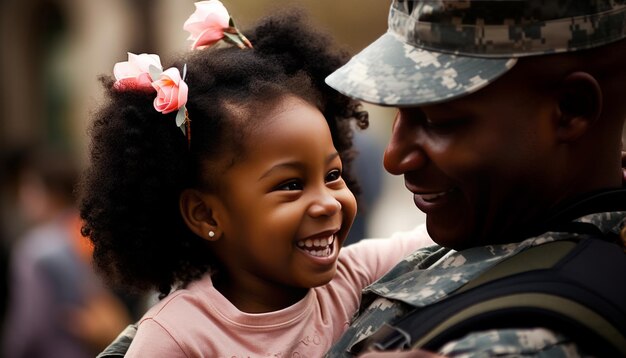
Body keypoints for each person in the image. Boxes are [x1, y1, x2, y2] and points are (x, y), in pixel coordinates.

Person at [79, 2, 433, 357]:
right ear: (206, 214)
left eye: (332, 175)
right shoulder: (176, 338)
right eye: (291, 185)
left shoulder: (355, 275)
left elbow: (442, 241)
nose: (327, 202)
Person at [324, 0, 626, 356]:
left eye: (439, 121)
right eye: (400, 113)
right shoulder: (501, 234)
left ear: (571, 108)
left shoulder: (523, 342)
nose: (394, 158)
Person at [1, 145, 135, 358]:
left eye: (28, 188)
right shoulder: (91, 234)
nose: (21, 198)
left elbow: (29, 328)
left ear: (46, 192)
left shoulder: (34, 249)